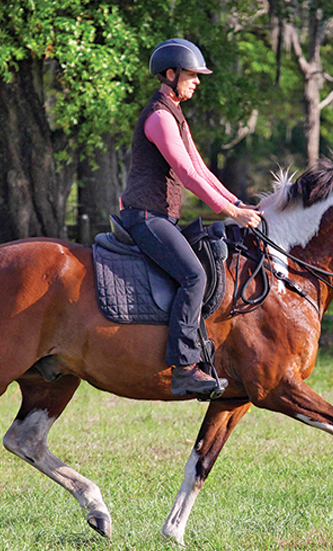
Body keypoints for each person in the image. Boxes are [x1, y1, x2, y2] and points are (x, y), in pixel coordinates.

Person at [119, 38, 262, 398]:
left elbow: (201, 167)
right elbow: (186, 173)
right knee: (193, 275)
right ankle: (184, 367)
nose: (197, 81)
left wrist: (239, 203)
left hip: (162, 218)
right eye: (192, 75)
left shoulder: (176, 116)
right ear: (170, 74)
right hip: (145, 218)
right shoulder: (158, 117)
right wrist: (230, 212)